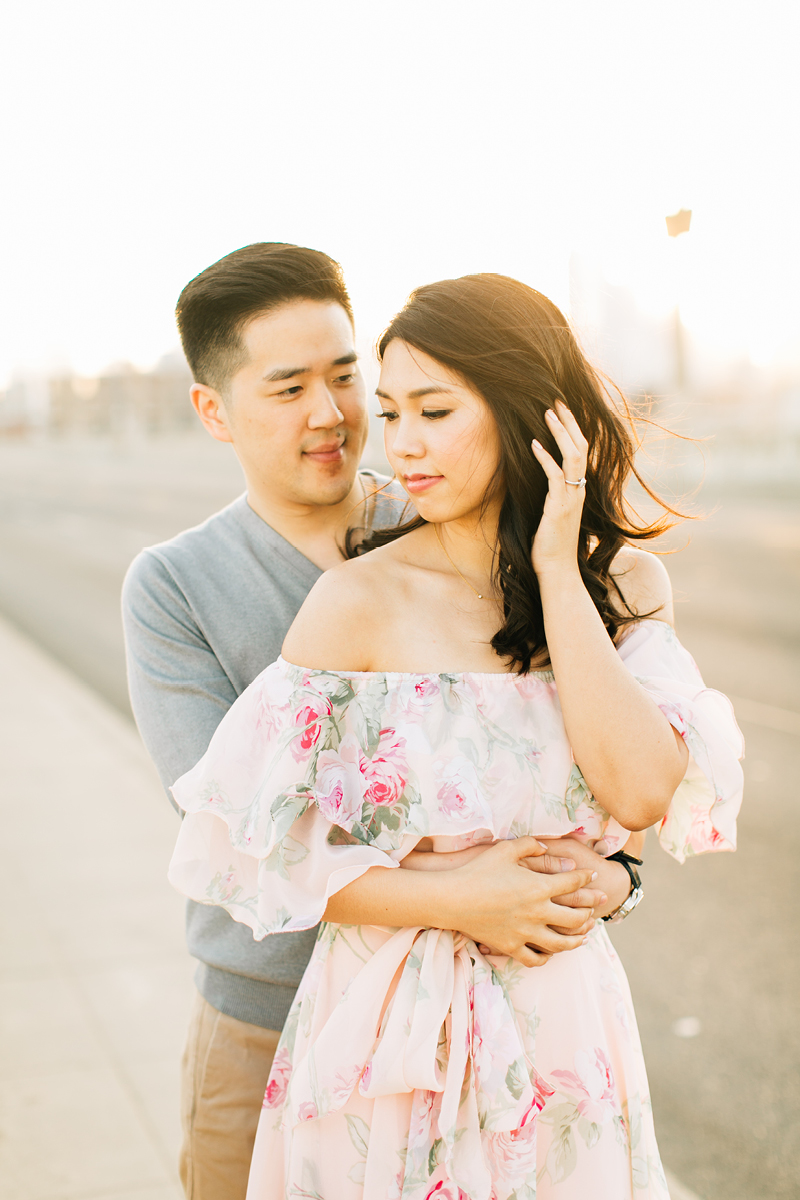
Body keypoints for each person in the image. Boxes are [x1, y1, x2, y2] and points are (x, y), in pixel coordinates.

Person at [168, 273, 744, 1198]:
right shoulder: (356, 601)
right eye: (392, 413)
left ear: (531, 415)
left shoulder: (622, 587)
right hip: (389, 1030)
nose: (400, 445)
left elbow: (640, 795)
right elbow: (265, 853)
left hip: (565, 1029)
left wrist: (558, 573)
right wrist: (461, 899)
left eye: (434, 410)